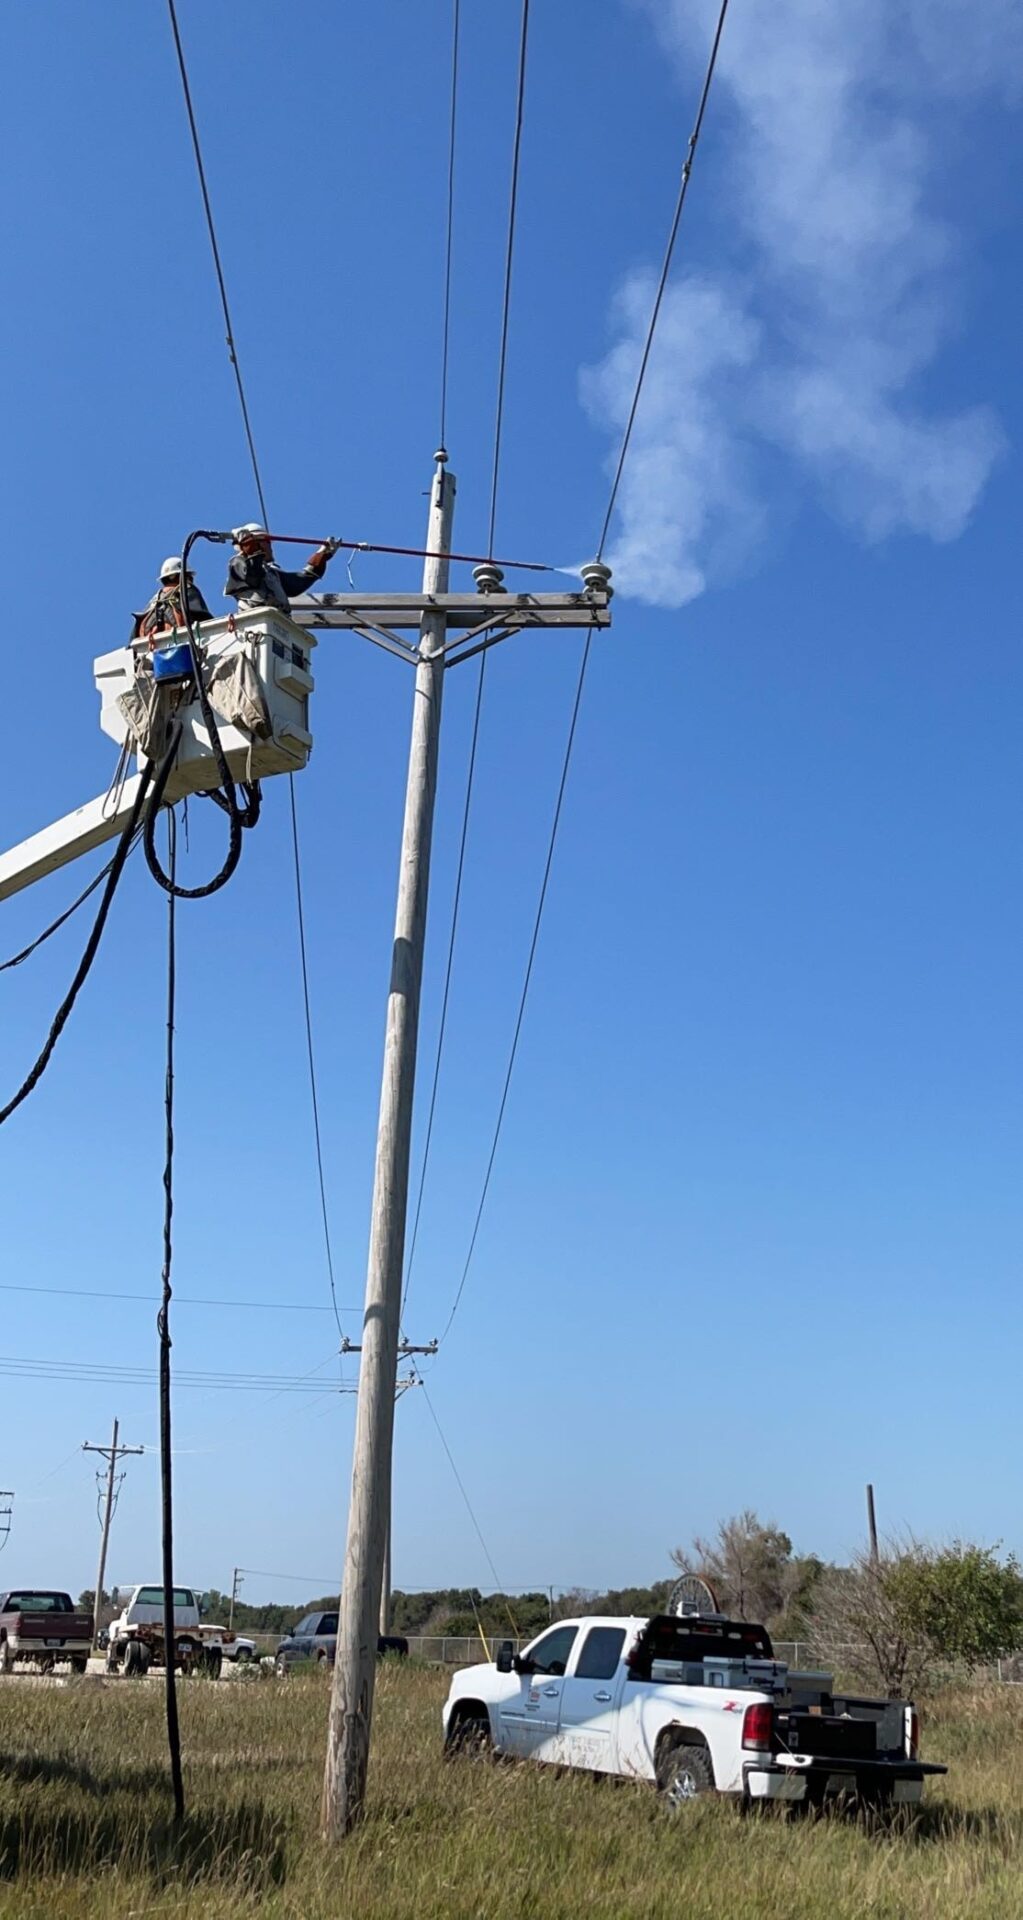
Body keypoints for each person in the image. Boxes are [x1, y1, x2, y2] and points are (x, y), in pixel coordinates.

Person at [224, 524, 338, 614]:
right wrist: (251, 549)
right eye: (267, 542)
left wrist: (321, 556)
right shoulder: (239, 562)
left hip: (278, 620)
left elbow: (299, 582)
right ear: (257, 544)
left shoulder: (272, 573)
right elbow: (253, 577)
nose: (271, 547)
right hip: (256, 621)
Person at [130, 557, 212, 641]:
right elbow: (205, 621)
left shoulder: (154, 601)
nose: (190, 580)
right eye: (189, 577)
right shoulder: (187, 589)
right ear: (182, 576)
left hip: (152, 647)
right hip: (179, 642)